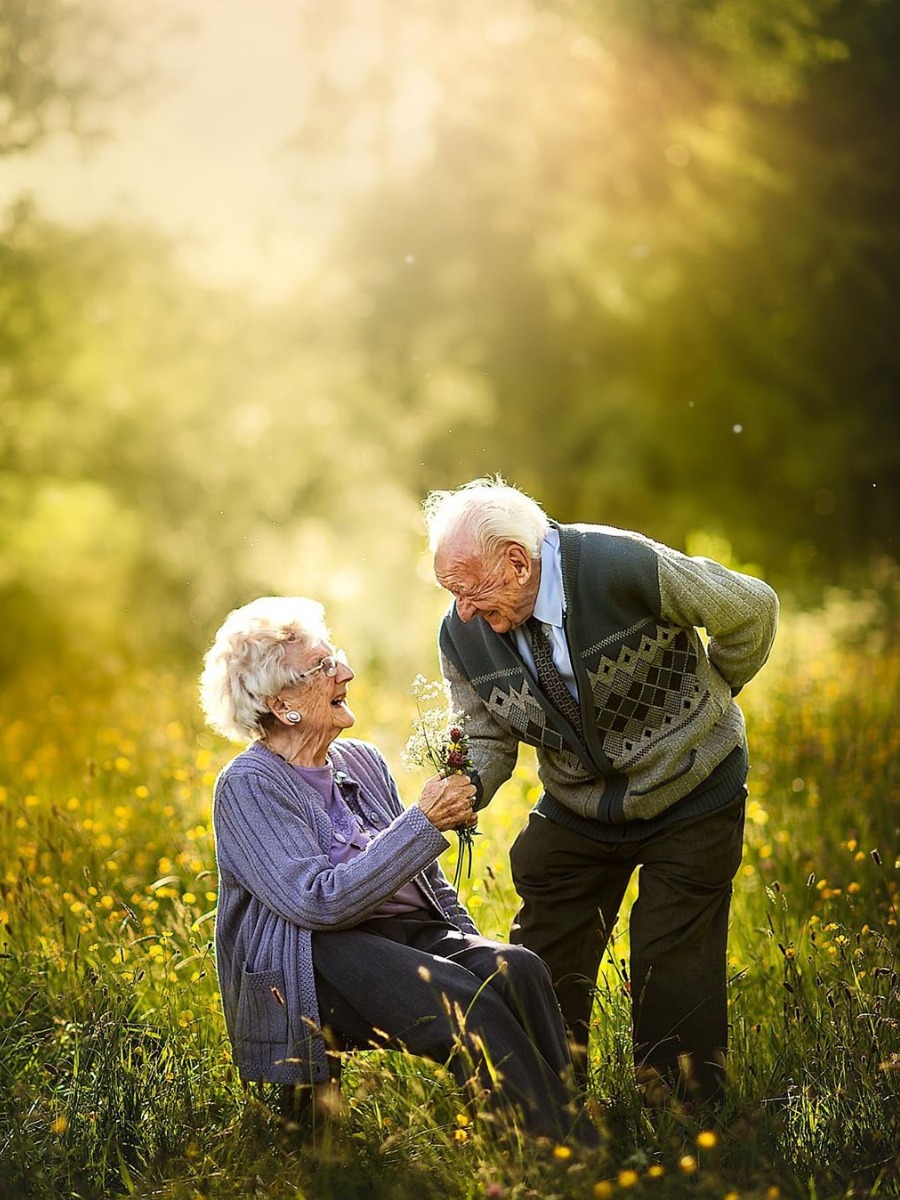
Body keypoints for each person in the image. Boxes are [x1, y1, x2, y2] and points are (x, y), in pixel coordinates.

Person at [424, 477, 779, 1108]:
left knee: (672, 955)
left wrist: (708, 695)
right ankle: (544, 1099)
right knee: (545, 938)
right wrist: (465, 784)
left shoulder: (620, 564)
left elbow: (752, 607)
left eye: (467, 587)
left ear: (516, 560)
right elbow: (485, 735)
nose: (464, 610)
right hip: (581, 803)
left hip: (692, 787)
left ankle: (682, 1112)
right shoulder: (463, 633)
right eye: (450, 592)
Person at [199, 595, 596, 1144]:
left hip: (406, 936)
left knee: (517, 968)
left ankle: (546, 1133)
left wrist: (471, 943)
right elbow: (317, 902)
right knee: (464, 1001)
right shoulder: (248, 785)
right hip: (320, 959)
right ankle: (566, 1153)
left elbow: (424, 879)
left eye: (334, 655)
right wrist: (422, 822)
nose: (345, 671)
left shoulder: (359, 759)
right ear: (281, 703)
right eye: (322, 667)